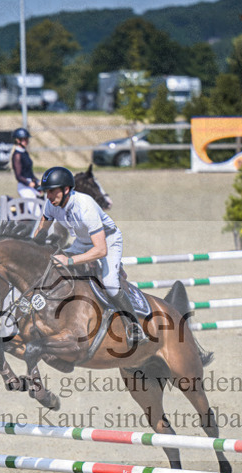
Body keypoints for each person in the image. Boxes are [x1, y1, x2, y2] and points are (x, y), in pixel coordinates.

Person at [32, 166, 145, 344]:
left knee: (110, 284)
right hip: (83, 241)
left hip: (107, 241)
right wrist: (32, 247)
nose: (48, 196)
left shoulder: (85, 206)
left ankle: (134, 325)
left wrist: (69, 260)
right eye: (46, 192)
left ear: (66, 189)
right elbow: (41, 231)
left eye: (52, 192)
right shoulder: (51, 204)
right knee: (51, 264)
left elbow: (100, 250)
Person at [11, 128, 40, 201]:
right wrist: (28, 183)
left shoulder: (25, 153)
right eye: (24, 139)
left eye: (27, 139)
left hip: (31, 186)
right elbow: (18, 176)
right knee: (36, 210)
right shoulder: (17, 155)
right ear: (18, 140)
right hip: (24, 187)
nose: (27, 141)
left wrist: (37, 180)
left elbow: (29, 173)